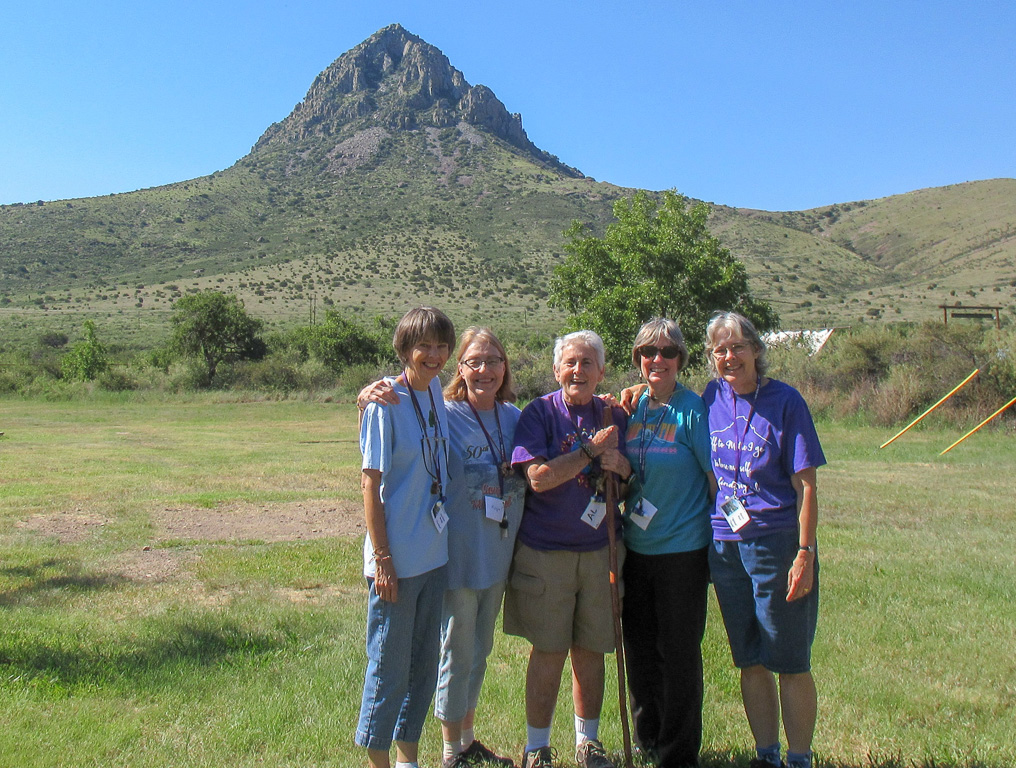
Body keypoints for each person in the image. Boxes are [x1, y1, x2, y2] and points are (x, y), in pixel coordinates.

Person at [359, 328, 523, 768]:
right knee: (455, 651)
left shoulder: (514, 417)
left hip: (496, 556)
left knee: (478, 651)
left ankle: (467, 741)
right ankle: (451, 752)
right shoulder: (444, 409)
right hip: (452, 556)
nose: (484, 369)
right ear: (459, 368)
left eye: (493, 360)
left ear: (506, 366)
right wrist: (365, 394)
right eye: (474, 361)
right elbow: (394, 408)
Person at [701, 311, 826, 768]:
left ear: (756, 350)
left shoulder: (786, 402)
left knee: (790, 659)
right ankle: (766, 755)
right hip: (725, 546)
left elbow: (806, 485)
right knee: (749, 658)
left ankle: (799, 758)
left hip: (776, 544)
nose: (729, 357)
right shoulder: (711, 397)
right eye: (720, 349)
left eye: (737, 347)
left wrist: (805, 553)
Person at [506, 330, 633, 768]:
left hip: (601, 550)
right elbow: (538, 478)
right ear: (557, 369)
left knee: (592, 648)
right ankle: (537, 748)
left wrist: (623, 466)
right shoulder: (538, 413)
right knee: (548, 649)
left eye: (587, 363)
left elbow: (630, 476)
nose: (577, 371)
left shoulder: (614, 412)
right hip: (546, 553)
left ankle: (588, 742)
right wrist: (592, 450)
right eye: (570, 363)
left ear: (601, 371)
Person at [356, 307, 456, 768]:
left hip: (432, 555)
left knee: (423, 666)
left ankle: (407, 759)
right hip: (395, 560)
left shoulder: (435, 389)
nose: (434, 355)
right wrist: (382, 559)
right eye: (424, 347)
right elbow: (370, 485)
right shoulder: (384, 402)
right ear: (404, 351)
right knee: (388, 669)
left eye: (441, 346)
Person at [621, 319, 716, 768]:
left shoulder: (693, 410)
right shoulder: (632, 406)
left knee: (679, 655)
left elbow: (716, 481)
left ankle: (678, 753)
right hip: (635, 551)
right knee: (639, 651)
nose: (656, 359)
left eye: (667, 352)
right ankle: (648, 739)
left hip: (683, 552)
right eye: (647, 352)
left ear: (681, 359)